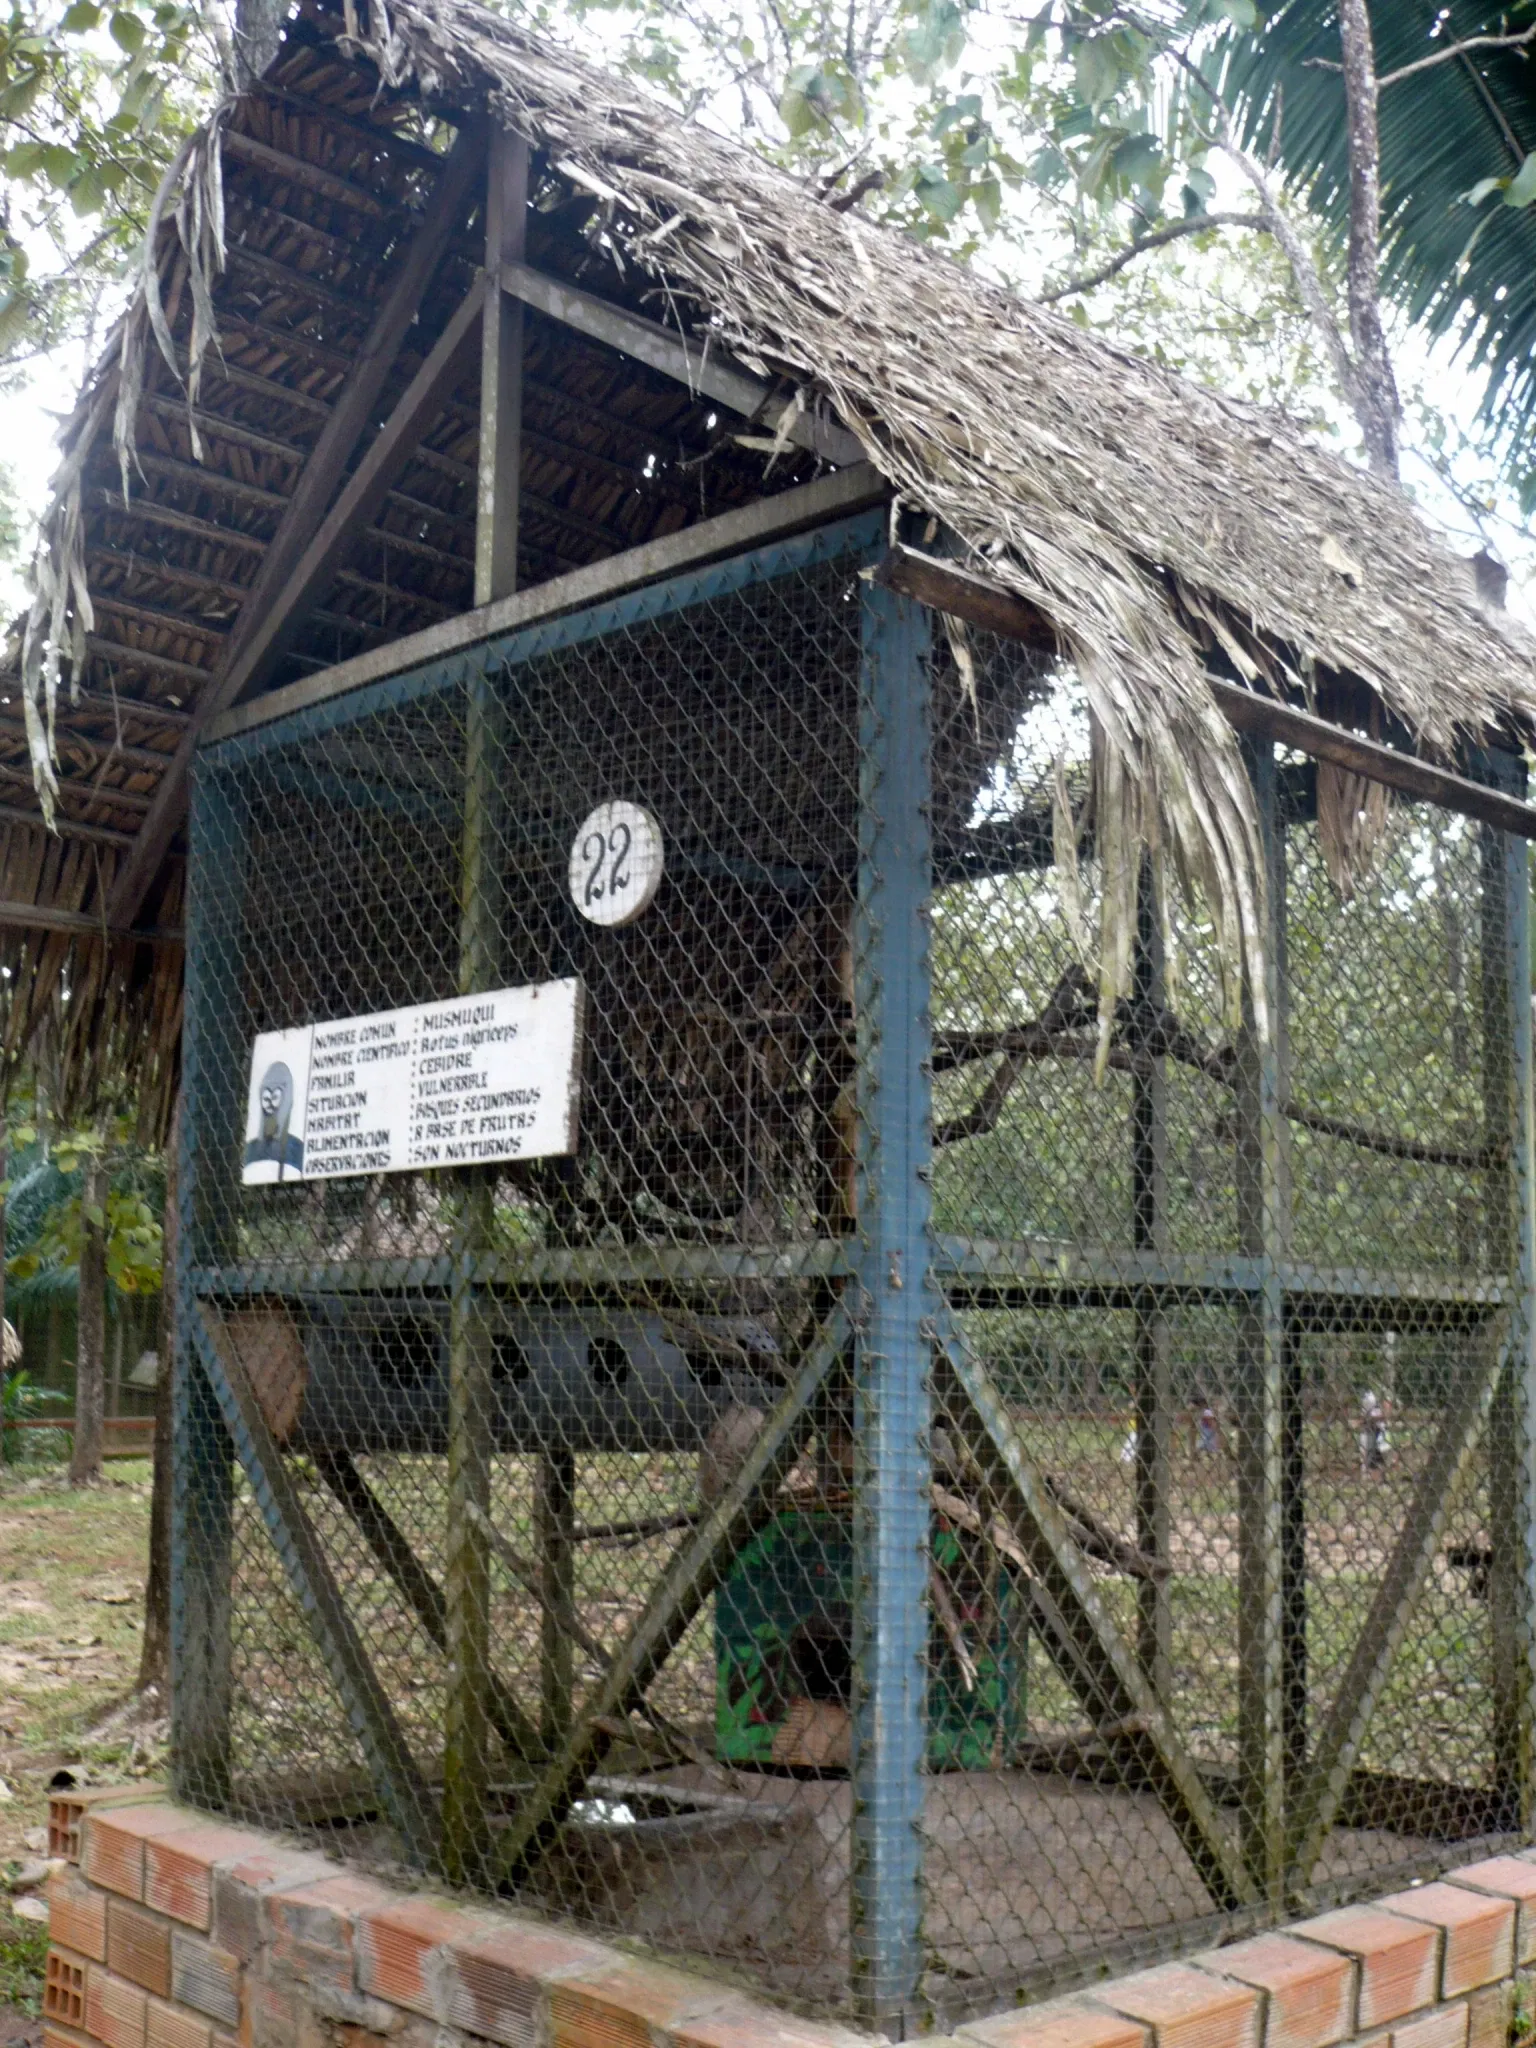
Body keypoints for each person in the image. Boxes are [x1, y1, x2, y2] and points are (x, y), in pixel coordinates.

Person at [1360, 1389, 1387, 1474]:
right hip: (1370, 1431)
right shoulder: (1366, 1408)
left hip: (1378, 1431)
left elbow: (1380, 1421)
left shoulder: (1376, 1409)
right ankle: (1368, 1464)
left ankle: (1374, 1463)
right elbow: (1365, 1420)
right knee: (1365, 1443)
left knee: (1379, 1447)